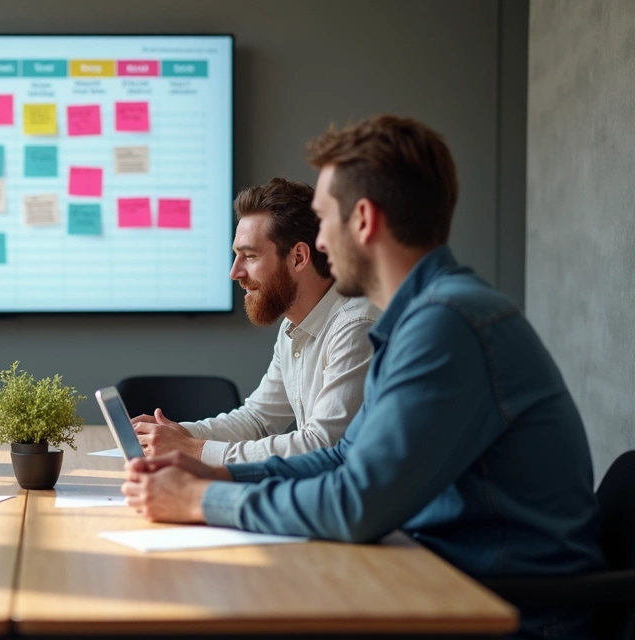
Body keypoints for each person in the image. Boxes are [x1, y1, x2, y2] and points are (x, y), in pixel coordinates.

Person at [121, 115, 603, 639]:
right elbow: (344, 458)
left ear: (364, 220)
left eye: (325, 219)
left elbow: (356, 503)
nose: (320, 242)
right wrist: (223, 476)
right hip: (440, 577)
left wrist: (198, 501)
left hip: (505, 610)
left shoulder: (446, 325)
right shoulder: (423, 317)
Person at [132, 178, 378, 464]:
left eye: (249, 256)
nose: (235, 272)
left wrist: (194, 449)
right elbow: (258, 420)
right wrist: (174, 434)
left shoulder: (356, 326)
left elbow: (322, 445)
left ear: (298, 257)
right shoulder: (293, 326)